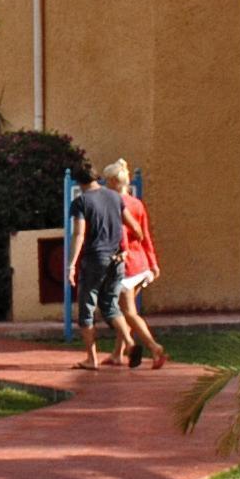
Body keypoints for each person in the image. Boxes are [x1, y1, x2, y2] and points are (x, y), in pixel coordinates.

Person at [108, 159, 170, 370]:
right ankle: (117, 353)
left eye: (108, 180)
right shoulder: (137, 204)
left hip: (126, 266)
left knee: (128, 312)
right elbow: (146, 237)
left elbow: (118, 237)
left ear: (115, 181)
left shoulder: (114, 204)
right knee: (126, 310)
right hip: (141, 264)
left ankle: (155, 348)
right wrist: (153, 264)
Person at [66, 161, 128, 369]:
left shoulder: (81, 202)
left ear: (79, 182)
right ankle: (130, 342)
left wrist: (71, 265)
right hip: (117, 259)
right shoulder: (115, 197)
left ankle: (91, 359)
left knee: (87, 309)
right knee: (111, 305)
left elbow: (79, 234)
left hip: (95, 259)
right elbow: (130, 226)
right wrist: (126, 250)